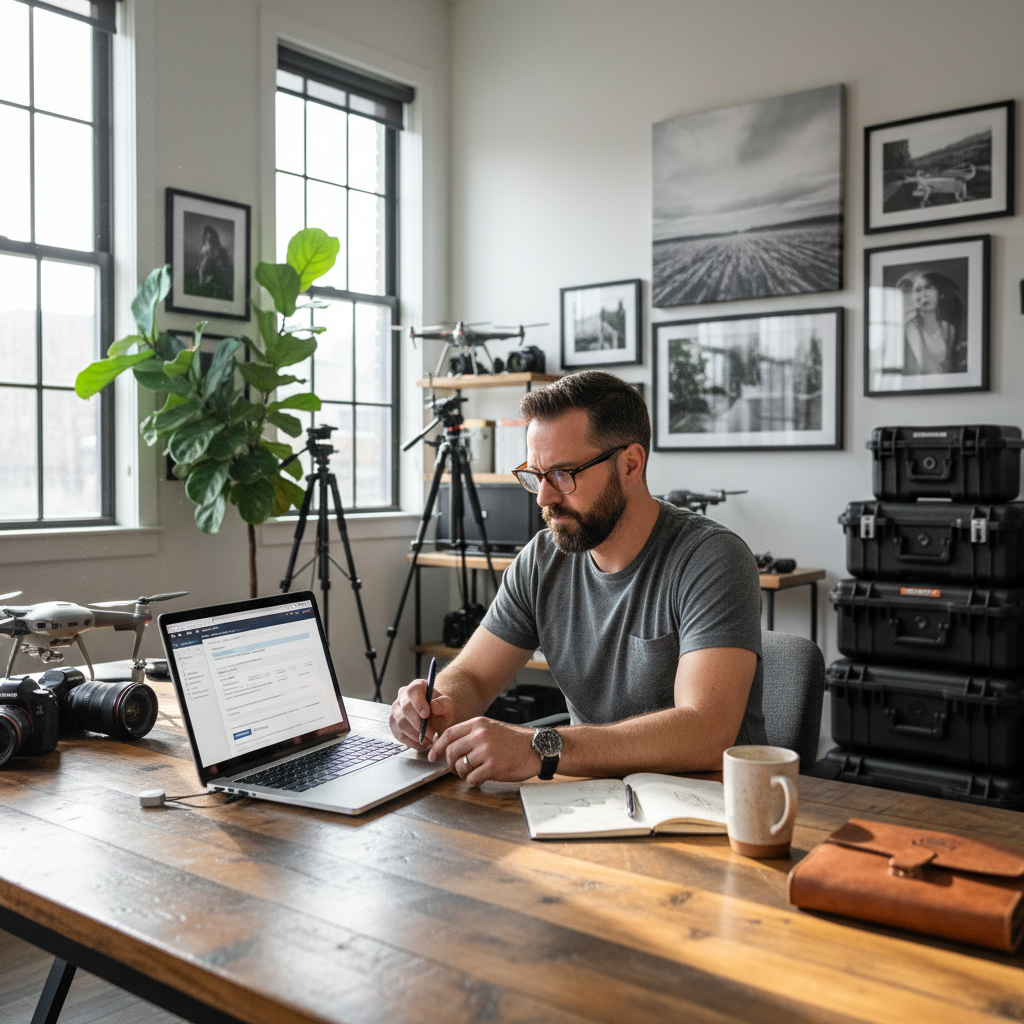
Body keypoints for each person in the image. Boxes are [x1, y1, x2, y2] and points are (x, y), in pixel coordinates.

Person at [389, 370, 767, 785]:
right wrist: (438, 704)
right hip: (585, 798)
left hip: (703, 806)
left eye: (563, 474)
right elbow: (474, 677)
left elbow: (706, 733)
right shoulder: (541, 559)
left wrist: (539, 747)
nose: (545, 497)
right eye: (535, 475)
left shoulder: (711, 559)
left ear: (630, 464)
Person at [899, 269, 966, 375]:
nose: (923, 295)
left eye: (928, 287)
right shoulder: (911, 327)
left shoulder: (948, 328)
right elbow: (927, 367)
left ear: (941, 294)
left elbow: (949, 368)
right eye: (918, 290)